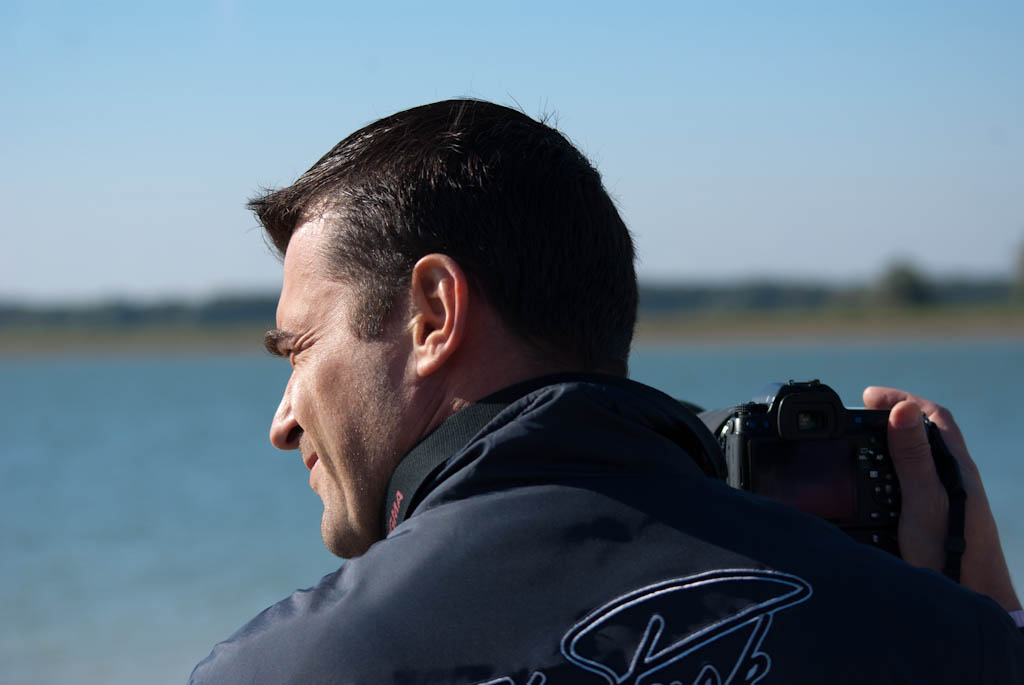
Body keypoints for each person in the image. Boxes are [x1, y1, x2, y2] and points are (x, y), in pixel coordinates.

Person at [190, 99, 1023, 684]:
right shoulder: (938, 635)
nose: (283, 419)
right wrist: (986, 633)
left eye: (299, 350)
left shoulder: (283, 668)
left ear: (434, 314)